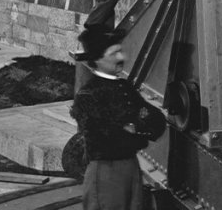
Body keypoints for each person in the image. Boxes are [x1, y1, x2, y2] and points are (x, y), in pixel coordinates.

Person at [71, 31, 166, 210]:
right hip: (107, 172)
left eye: (120, 51)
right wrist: (137, 124)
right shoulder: (88, 94)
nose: (122, 57)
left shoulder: (124, 87)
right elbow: (108, 137)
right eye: (114, 53)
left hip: (131, 166)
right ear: (98, 59)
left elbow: (157, 121)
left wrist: (131, 126)